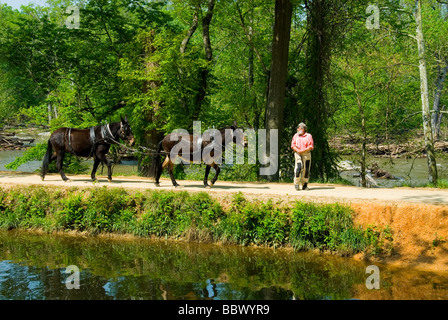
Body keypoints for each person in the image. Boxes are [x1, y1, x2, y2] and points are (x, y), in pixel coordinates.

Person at [291, 123, 314, 190]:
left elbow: (311, 146)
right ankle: (296, 184)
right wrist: (298, 150)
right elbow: (293, 145)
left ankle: (305, 184)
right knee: (298, 167)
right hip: (298, 153)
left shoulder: (308, 136)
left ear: (303, 129)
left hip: (306, 154)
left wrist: (303, 150)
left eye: (299, 128)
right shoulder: (296, 135)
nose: (297, 129)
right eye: (297, 128)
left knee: (306, 169)